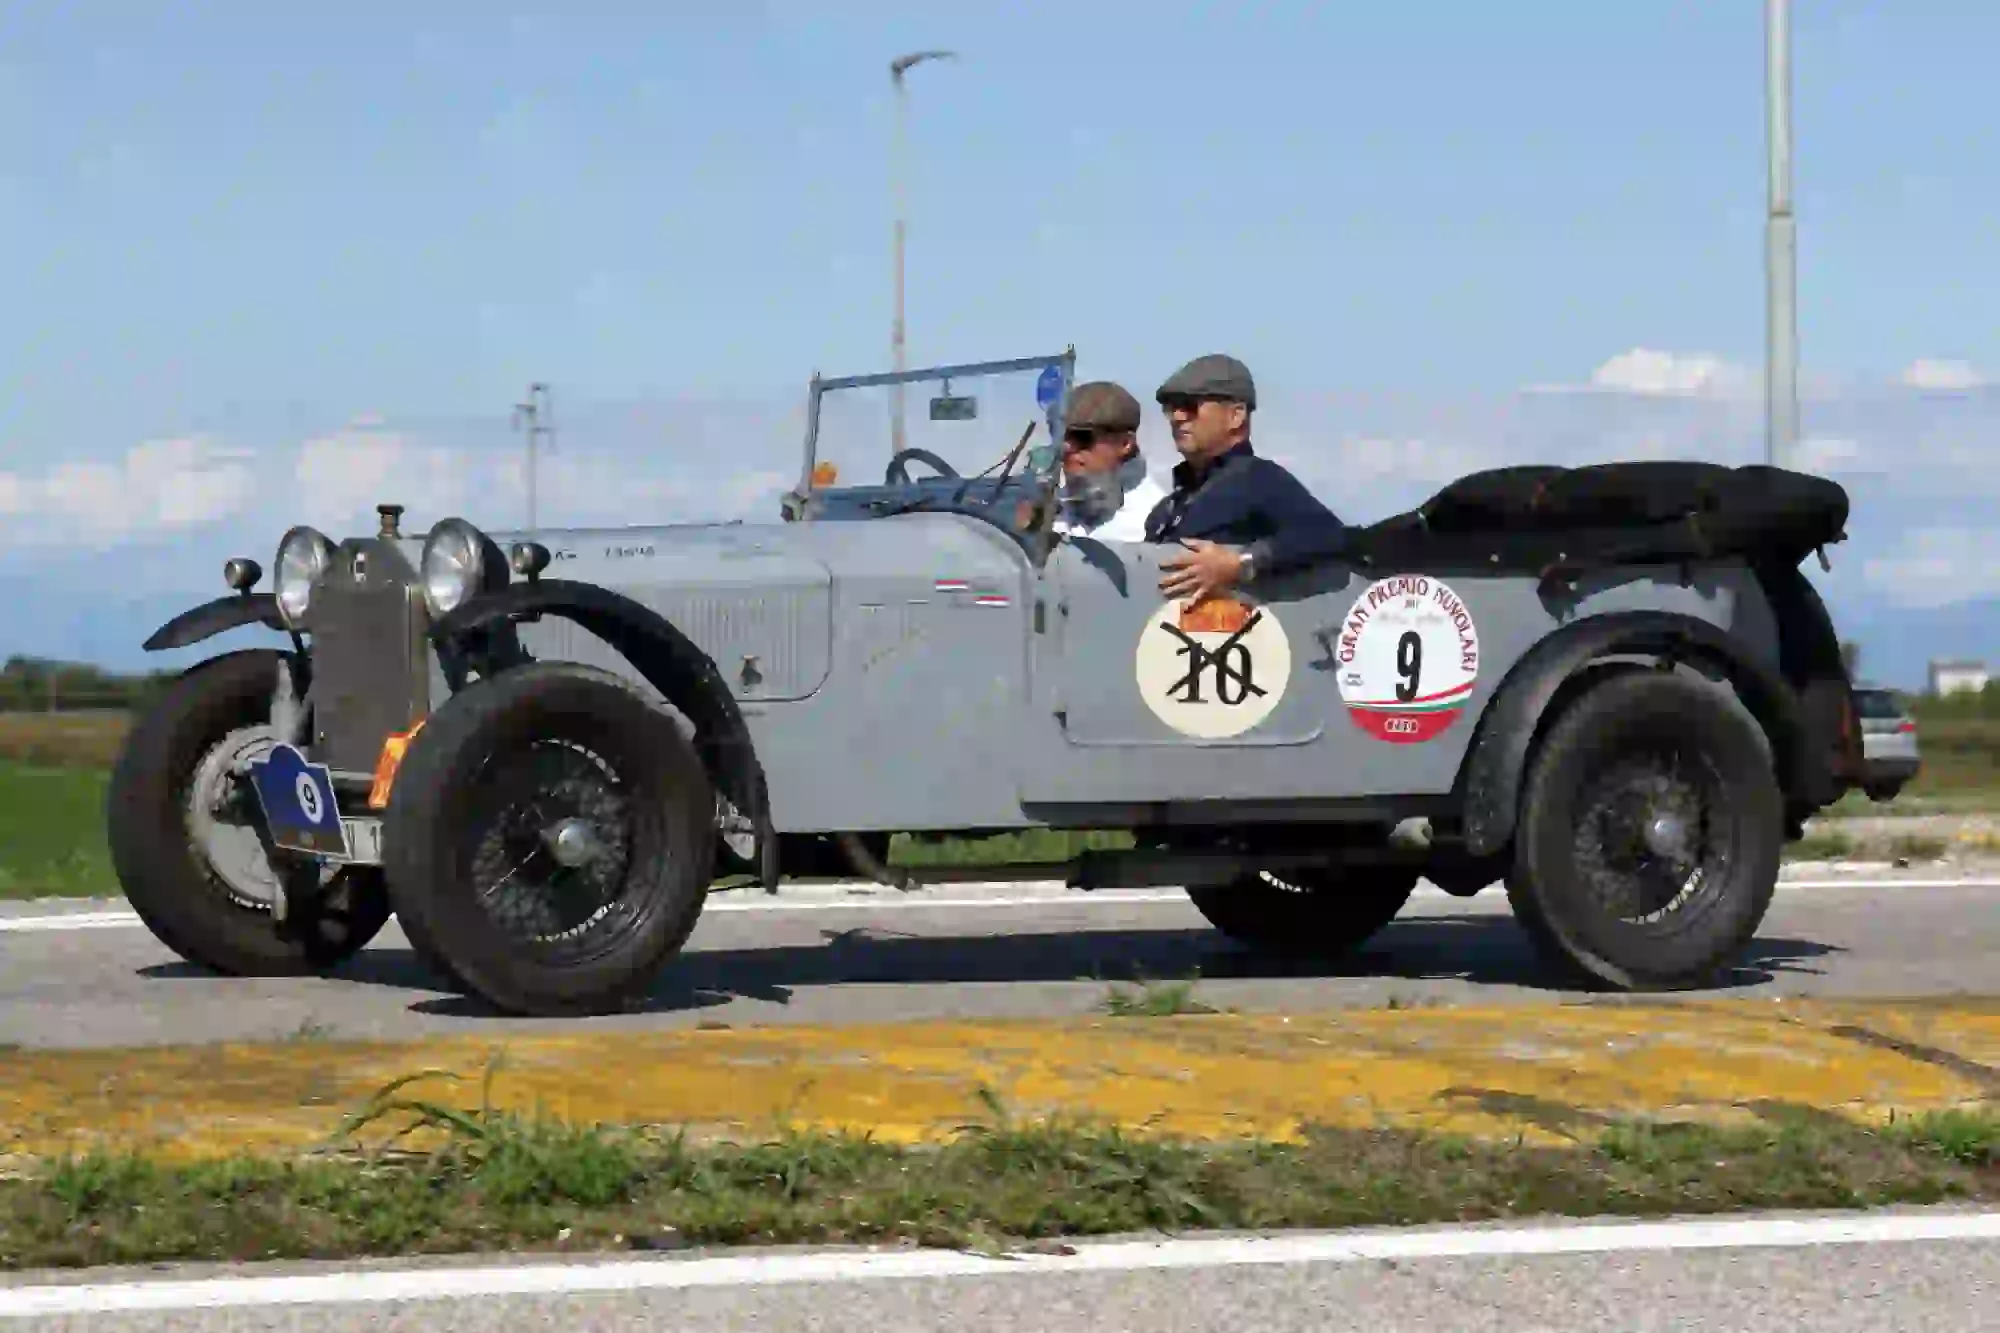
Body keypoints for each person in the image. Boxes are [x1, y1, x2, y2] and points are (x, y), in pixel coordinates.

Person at [1143, 352, 1347, 603]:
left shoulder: (1259, 480)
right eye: (1170, 408)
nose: (1177, 417)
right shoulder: (1165, 511)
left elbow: (1327, 533)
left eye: (1189, 406)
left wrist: (1241, 564)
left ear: (1236, 415)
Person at [1050, 380, 1168, 541]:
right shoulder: (1049, 509)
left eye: (1082, 437)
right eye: (1060, 435)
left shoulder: (1154, 523)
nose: (1066, 447)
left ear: (1125, 443)